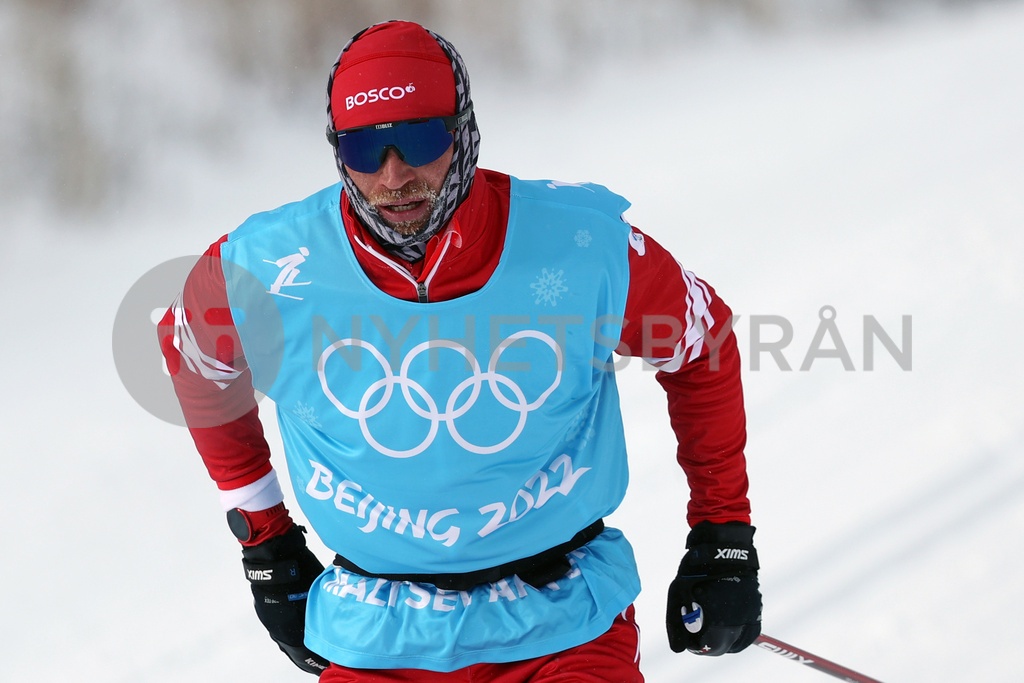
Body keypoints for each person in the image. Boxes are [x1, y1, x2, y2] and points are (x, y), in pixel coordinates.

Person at [158, 19, 761, 682]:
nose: (394, 175)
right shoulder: (265, 266)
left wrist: (722, 535)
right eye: (365, 149)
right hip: (375, 634)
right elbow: (195, 360)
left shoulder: (580, 246)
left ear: (463, 128)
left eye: (418, 139)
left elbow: (703, 342)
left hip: (562, 623)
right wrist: (264, 541)